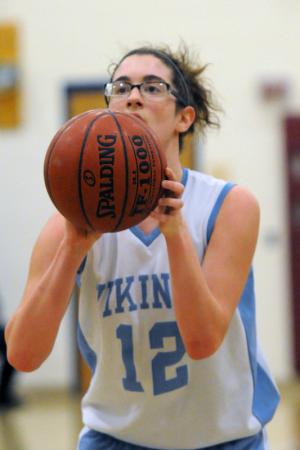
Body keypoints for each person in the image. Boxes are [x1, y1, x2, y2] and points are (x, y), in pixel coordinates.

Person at [5, 44, 279, 449]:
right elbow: (23, 356)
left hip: (223, 439)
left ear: (184, 117)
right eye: (121, 86)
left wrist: (175, 233)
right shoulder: (68, 222)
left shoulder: (229, 206)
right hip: (114, 437)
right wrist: (72, 250)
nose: (133, 95)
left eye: (152, 87)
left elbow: (202, 342)